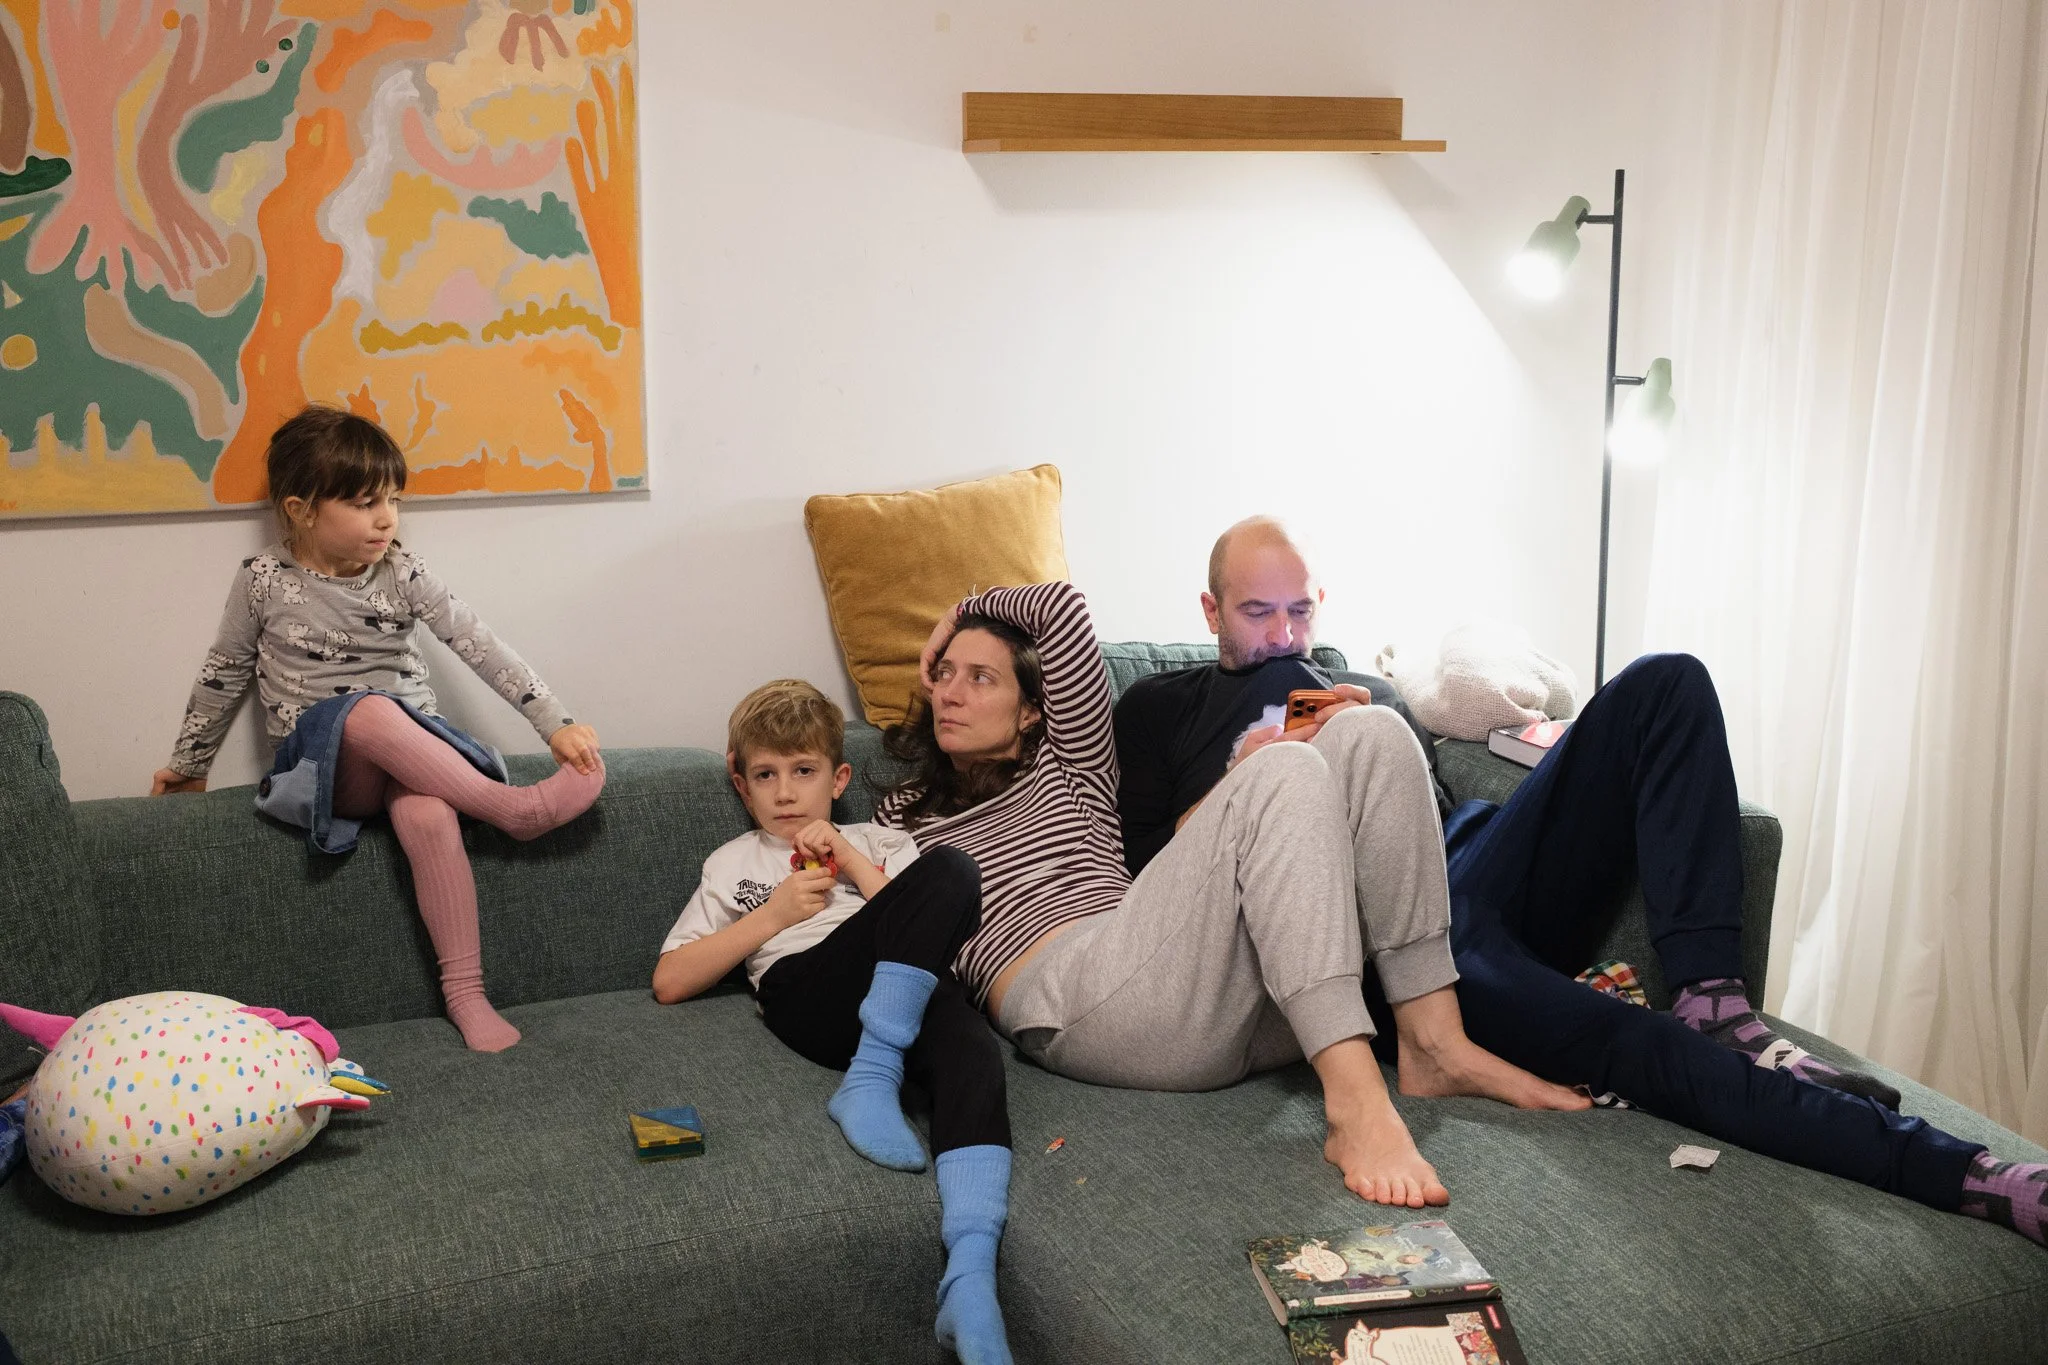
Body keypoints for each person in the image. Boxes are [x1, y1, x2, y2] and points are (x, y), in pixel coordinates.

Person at [1114, 515, 2047, 1250]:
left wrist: (1388, 730)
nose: (1283, 635)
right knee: (1635, 1042)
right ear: (1210, 610)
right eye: (1257, 613)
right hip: (1394, 948)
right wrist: (1257, 773)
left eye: (1300, 612)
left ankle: (1716, 1000)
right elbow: (1152, 881)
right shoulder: (1160, 710)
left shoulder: (1365, 688)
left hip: (1468, 864)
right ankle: (1966, 1175)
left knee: (1666, 681)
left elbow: (1437, 804)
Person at [876, 581, 1587, 1212]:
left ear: (1034, 711)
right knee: (1282, 768)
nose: (950, 692)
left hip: (1200, 979)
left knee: (1372, 730)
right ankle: (1355, 1105)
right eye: (943, 674)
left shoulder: (1070, 765)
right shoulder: (900, 815)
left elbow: (1060, 607)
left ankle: (1434, 1041)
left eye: (979, 676)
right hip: (1073, 1001)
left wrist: (959, 615)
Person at [152, 406, 605, 1053]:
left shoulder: (402, 571)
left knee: (428, 812)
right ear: (302, 510)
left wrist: (553, 722)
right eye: (365, 503)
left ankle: (466, 994)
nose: (387, 517)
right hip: (321, 771)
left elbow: (480, 645)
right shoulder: (264, 579)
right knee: (365, 708)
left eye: (393, 499)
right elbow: (223, 671)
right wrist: (190, 763)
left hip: (412, 755)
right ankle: (515, 810)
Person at [652, 680, 1012, 1365]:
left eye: (803, 770)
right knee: (945, 907)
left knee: (971, 1042)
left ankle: (970, 1280)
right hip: (808, 992)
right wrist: (774, 915)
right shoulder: (733, 862)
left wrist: (850, 859)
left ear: (838, 778)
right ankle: (870, 1076)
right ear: (741, 783)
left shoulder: (882, 840)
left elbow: (932, 917)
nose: (785, 793)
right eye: (765, 775)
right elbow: (669, 980)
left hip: (906, 993)